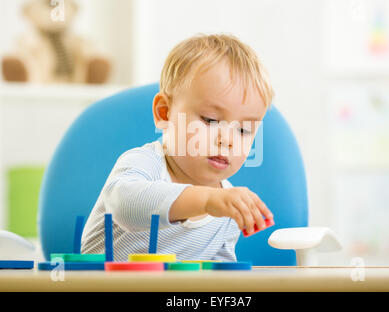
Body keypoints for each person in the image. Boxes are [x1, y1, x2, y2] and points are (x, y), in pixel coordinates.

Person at [81, 33, 275, 261]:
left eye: (243, 130)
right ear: (164, 113)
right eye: (211, 120)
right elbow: (123, 204)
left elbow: (218, 276)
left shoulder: (227, 210)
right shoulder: (146, 163)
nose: (228, 140)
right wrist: (207, 201)